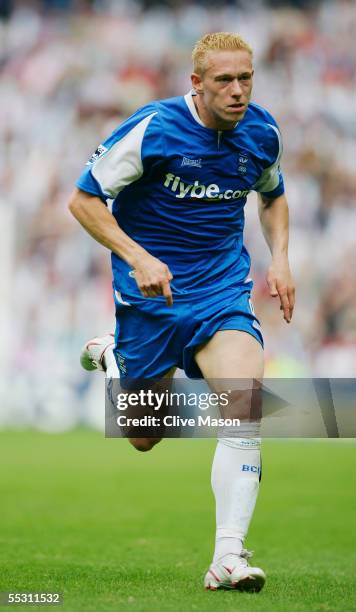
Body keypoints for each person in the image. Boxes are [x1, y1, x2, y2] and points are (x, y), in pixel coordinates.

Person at [69, 32, 295, 592]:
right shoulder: (156, 128)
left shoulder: (263, 132)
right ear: (197, 83)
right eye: (224, 80)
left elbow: (272, 195)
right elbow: (84, 200)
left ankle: (228, 557)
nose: (238, 90)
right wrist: (137, 256)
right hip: (153, 295)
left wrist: (283, 258)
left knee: (245, 407)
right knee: (144, 436)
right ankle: (114, 357)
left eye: (245, 78)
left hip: (221, 292)